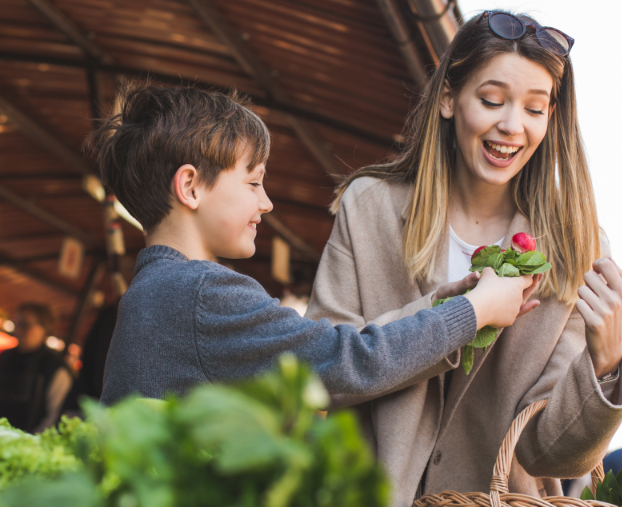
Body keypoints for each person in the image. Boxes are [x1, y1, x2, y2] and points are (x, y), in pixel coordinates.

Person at [305, 10, 622, 506]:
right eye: (491, 100)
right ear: (448, 99)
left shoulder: (574, 246)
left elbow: (550, 453)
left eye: (534, 108)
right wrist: (464, 311)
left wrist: (605, 364)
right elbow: (319, 372)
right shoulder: (368, 206)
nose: (511, 126)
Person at [87, 84, 540, 407]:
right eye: (253, 182)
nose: (265, 203)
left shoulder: (149, 293)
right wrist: (475, 310)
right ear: (190, 186)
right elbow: (352, 360)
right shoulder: (204, 294)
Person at [0, 303, 73, 432]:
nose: (18, 330)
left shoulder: (55, 368)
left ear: (45, 328)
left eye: (26, 325)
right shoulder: (4, 359)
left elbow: (56, 417)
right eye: (17, 323)